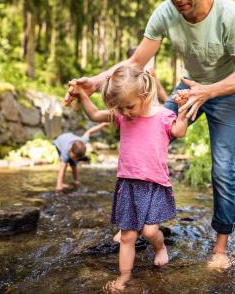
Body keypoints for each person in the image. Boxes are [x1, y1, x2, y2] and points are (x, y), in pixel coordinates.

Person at [65, 0, 235, 269]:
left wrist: (207, 92)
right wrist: (96, 81)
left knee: (222, 169)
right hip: (187, 87)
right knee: (144, 131)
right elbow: (136, 61)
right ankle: (133, 222)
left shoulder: (229, 15)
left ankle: (220, 247)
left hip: (225, 93)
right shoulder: (165, 13)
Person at [72, 65, 189, 291]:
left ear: (144, 95)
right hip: (128, 184)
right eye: (120, 108)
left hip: (154, 184)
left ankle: (159, 247)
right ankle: (124, 278)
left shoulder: (163, 115)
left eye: (129, 106)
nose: (125, 112)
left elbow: (179, 131)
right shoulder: (122, 115)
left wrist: (182, 110)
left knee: (149, 231)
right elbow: (95, 115)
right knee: (127, 237)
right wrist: (82, 95)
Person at [53, 123, 108, 191]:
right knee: (65, 164)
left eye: (77, 158)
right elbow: (61, 168)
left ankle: (76, 181)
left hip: (71, 138)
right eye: (74, 156)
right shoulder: (65, 151)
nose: (76, 159)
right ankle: (60, 183)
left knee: (74, 163)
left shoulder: (82, 142)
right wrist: (58, 186)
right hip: (60, 142)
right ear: (70, 151)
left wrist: (102, 125)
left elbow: (89, 131)